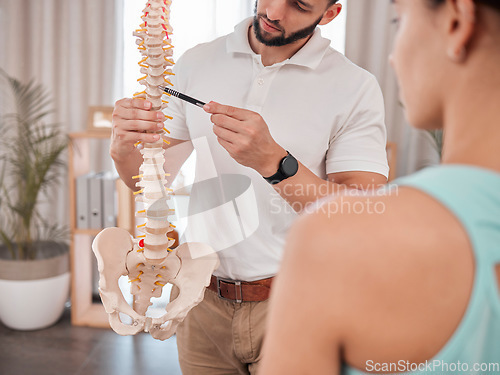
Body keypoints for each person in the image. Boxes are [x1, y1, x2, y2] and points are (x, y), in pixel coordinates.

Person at [111, 0, 389, 373]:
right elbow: (147, 181)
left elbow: (362, 215)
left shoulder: (355, 86)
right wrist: (120, 150)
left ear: (329, 14)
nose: (274, 12)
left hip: (298, 301)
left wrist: (274, 162)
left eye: (299, 5)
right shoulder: (198, 61)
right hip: (199, 301)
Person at [260, 0, 500, 373]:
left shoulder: (336, 239)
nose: (392, 57)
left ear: (457, 22)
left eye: (399, 21)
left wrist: (275, 164)